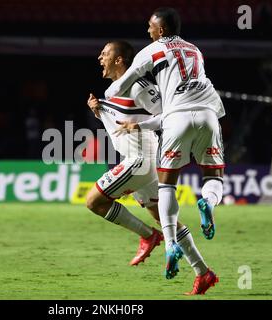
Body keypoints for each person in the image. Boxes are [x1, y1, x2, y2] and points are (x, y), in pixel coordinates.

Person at [106, 8, 223, 294]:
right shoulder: (195, 50)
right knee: (214, 177)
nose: (147, 30)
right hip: (208, 115)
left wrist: (108, 96)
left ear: (160, 30)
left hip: (171, 124)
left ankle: (169, 244)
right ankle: (207, 203)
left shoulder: (151, 50)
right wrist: (137, 124)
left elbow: (123, 83)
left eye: (150, 26)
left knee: (166, 187)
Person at [87, 41, 213, 296]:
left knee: (94, 202)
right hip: (142, 162)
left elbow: (169, 115)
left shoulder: (139, 85)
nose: (100, 57)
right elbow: (126, 120)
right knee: (166, 218)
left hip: (139, 160)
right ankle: (204, 273)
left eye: (106, 53)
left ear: (120, 59)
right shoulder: (114, 91)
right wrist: (98, 111)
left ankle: (148, 236)